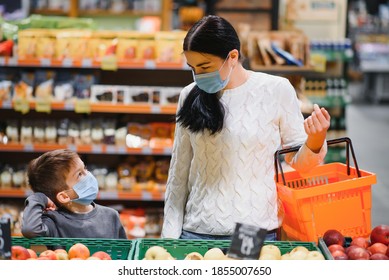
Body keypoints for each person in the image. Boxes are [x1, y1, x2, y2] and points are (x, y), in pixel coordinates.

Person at [161, 15, 331, 241]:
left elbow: (300, 164)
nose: (198, 76)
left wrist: (316, 140)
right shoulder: (189, 96)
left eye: (205, 67)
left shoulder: (275, 90)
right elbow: (178, 175)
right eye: (193, 68)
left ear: (232, 57)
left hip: (251, 231)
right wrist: (169, 239)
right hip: (196, 232)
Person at [22, 149, 127, 239]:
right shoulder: (53, 222)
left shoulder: (111, 216)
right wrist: (40, 198)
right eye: (80, 174)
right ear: (64, 196)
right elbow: (30, 230)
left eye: (85, 168)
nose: (89, 175)